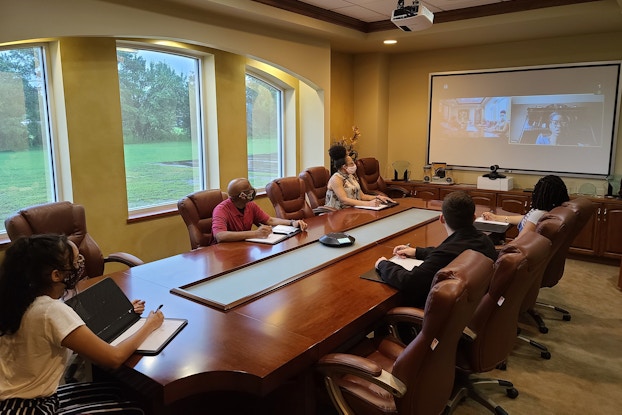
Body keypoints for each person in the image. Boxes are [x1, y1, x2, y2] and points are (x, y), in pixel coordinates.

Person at [0, 234, 164, 414]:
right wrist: (149, 325)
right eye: (75, 262)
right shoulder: (51, 311)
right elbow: (114, 358)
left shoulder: (17, 301)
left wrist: (122, 311)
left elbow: (71, 330)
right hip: (29, 408)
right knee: (135, 409)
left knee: (116, 390)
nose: (79, 266)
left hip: (9, 401)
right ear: (56, 275)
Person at [374, 191, 498, 308]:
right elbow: (449, 252)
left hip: (447, 314)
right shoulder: (484, 240)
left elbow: (409, 281)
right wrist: (416, 252)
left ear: (442, 219)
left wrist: (384, 264)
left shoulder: (446, 252)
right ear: (474, 218)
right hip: (474, 306)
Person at [211, 178, 308, 243]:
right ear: (242, 196)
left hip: (244, 247)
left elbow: (269, 220)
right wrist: (255, 233)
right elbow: (220, 236)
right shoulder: (221, 210)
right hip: (224, 253)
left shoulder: (250, 205)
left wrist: (292, 222)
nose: (252, 191)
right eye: (249, 190)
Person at [482, 174, 570, 233]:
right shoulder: (553, 211)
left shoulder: (538, 214)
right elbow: (527, 219)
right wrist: (496, 217)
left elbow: (520, 243)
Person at [324, 144, 394, 210]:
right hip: (337, 213)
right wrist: (368, 204)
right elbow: (344, 200)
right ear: (344, 167)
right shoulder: (336, 179)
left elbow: (362, 196)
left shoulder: (351, 176)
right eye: (351, 163)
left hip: (353, 210)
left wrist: (378, 198)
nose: (354, 165)